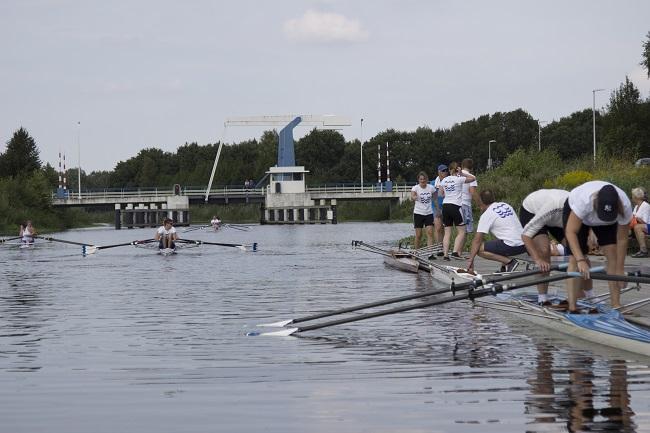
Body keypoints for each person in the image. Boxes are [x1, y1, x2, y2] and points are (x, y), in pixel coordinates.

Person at [563, 181, 633, 312]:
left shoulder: (625, 205)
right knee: (574, 258)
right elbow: (570, 232)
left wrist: (620, 269)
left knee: (613, 255)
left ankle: (616, 304)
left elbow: (622, 239)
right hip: (579, 217)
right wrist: (581, 260)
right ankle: (572, 306)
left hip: (607, 223)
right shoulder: (584, 201)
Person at [519, 189, 570, 304]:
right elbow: (525, 236)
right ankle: (542, 297)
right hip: (532, 211)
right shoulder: (554, 206)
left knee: (579, 251)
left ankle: (587, 294)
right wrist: (537, 259)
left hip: (557, 218)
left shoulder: (582, 210)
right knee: (544, 250)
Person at [467, 189, 527, 273]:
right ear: (493, 198)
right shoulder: (506, 205)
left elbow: (477, 240)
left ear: (481, 201)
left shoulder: (487, 214)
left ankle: (509, 263)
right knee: (501, 241)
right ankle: (504, 268)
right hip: (525, 243)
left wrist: (470, 260)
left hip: (513, 245)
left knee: (479, 249)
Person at [438, 162, 476, 260]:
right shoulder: (459, 179)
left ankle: (445, 255)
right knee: (462, 231)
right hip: (456, 206)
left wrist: (448, 193)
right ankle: (455, 252)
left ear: (449, 170)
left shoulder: (444, 180)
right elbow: (473, 178)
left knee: (447, 232)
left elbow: (440, 194)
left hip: (445, 206)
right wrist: (462, 173)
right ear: (457, 169)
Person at [410, 171, 436, 250]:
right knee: (418, 235)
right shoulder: (415, 188)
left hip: (429, 213)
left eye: (424, 179)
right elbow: (412, 196)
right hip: (418, 213)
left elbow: (435, 198)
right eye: (421, 179)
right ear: (418, 180)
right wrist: (415, 197)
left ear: (426, 179)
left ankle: (430, 253)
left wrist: (437, 210)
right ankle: (416, 252)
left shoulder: (431, 187)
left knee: (430, 233)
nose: (423, 181)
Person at [460, 158, 479, 236]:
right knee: (466, 231)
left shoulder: (456, 175)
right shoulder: (471, 176)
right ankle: (460, 248)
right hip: (465, 204)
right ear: (472, 167)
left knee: (460, 231)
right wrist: (480, 205)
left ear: (462, 165)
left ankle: (457, 248)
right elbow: (472, 192)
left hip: (455, 204)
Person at [630, 187, 650, 258]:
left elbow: (646, 221)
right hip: (639, 227)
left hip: (648, 226)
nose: (632, 197)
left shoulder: (646, 206)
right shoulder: (636, 207)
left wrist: (636, 218)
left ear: (636, 197)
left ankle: (643, 251)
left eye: (632, 196)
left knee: (638, 227)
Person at [430, 166, 445, 245]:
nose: (444, 172)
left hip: (445, 206)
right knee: (438, 227)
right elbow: (433, 197)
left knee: (443, 228)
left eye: (446, 171)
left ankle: (442, 246)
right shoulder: (433, 183)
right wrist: (438, 209)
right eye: (443, 171)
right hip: (436, 207)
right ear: (439, 172)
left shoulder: (448, 181)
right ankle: (438, 247)